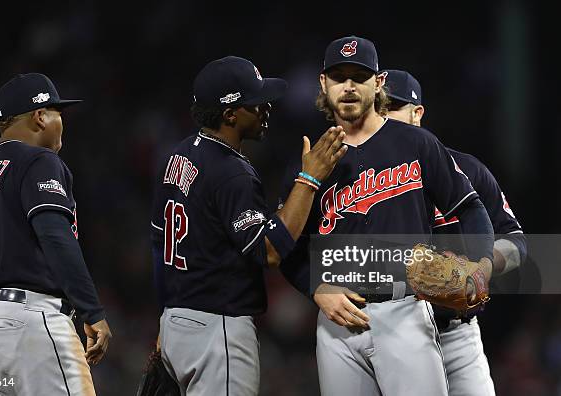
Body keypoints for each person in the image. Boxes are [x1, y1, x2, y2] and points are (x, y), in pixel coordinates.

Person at [278, 36, 495, 396]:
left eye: (359, 77)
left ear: (377, 83)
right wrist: (315, 286)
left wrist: (482, 266)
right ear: (323, 84)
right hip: (338, 323)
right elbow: (285, 247)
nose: (348, 86)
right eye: (339, 77)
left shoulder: (417, 144)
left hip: (406, 310)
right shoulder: (309, 161)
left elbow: (470, 206)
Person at [150, 56, 347, 396]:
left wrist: (171, 320)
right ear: (230, 114)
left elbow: (158, 244)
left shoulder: (180, 154)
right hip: (216, 328)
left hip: (174, 322)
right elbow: (269, 251)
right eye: (254, 103)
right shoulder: (231, 172)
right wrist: (309, 179)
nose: (266, 107)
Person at [0, 73, 111, 395]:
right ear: (40, 116)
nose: (61, 122)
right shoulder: (38, 160)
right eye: (58, 114)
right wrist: (92, 311)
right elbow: (55, 235)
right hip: (31, 321)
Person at [383, 68, 527, 395]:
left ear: (417, 113)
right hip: (389, 333)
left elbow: (516, 241)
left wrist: (482, 269)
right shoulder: (359, 183)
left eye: (392, 107)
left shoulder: (469, 170)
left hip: (456, 335)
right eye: (377, 109)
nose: (384, 118)